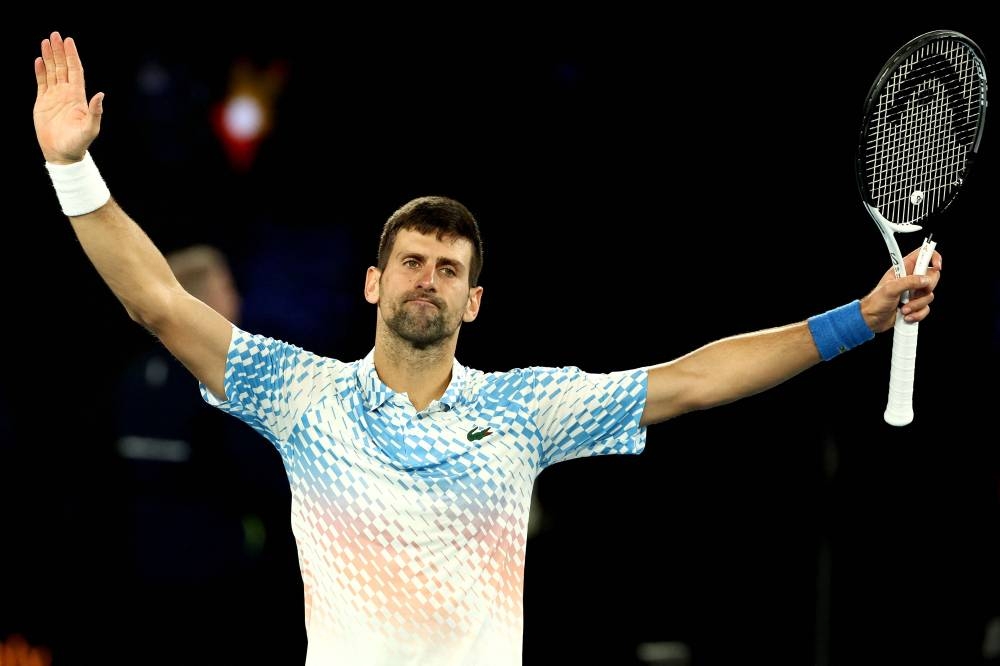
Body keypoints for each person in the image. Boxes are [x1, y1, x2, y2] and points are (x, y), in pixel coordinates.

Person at [32, 32, 942, 666]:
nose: (427, 276)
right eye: (411, 260)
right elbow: (157, 302)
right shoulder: (297, 392)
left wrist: (857, 320)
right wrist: (72, 167)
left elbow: (697, 380)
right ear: (374, 284)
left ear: (473, 300)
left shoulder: (524, 409)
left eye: (448, 267)